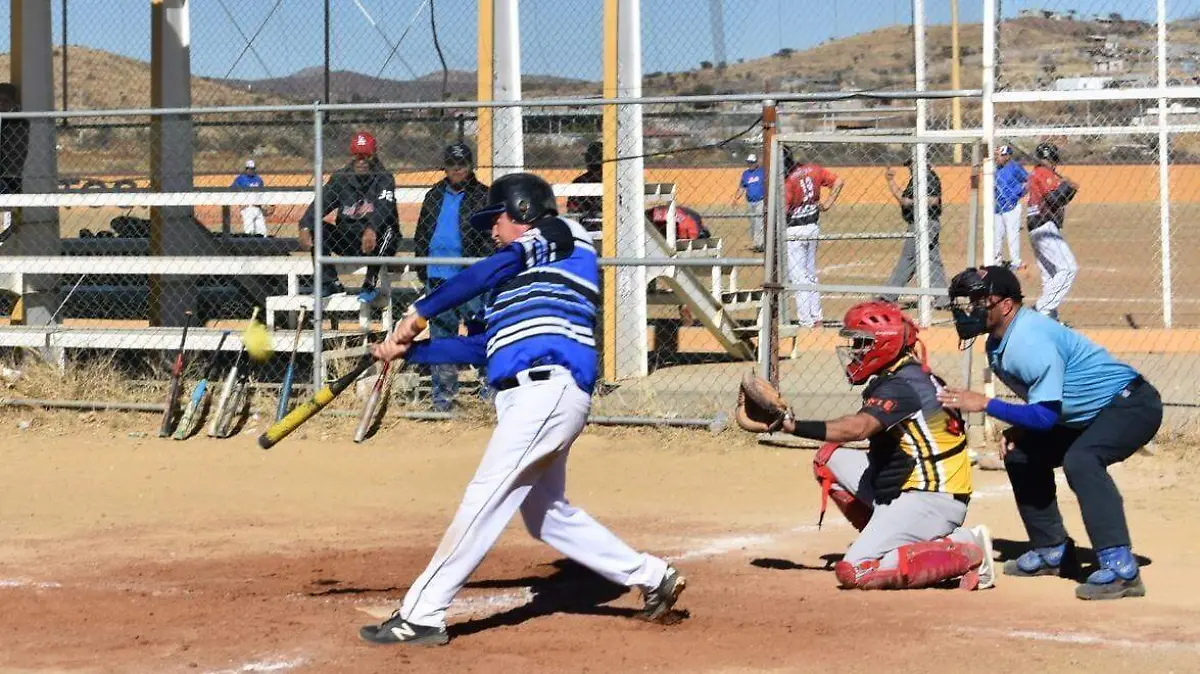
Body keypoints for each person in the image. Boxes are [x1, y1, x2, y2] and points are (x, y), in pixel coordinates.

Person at [359, 173, 687, 646]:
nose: (492, 231)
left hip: (547, 390)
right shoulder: (518, 287)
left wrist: (418, 313)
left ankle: (423, 614)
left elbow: (484, 270)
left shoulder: (562, 235)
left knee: (484, 496)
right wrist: (407, 352)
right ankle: (653, 577)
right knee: (545, 514)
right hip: (530, 397)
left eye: (498, 219)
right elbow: (482, 349)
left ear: (525, 211)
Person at [734, 300, 994, 591]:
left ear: (885, 344)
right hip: (910, 485)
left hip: (932, 500)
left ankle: (967, 547)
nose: (856, 350)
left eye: (863, 342)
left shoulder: (902, 386)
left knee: (856, 571)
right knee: (828, 458)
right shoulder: (907, 374)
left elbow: (857, 429)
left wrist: (789, 425)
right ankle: (890, 531)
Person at [939, 265, 1162, 600]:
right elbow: (1048, 405)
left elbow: (1044, 416)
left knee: (1082, 459)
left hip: (1130, 405)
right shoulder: (1000, 341)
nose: (972, 308)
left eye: (981, 300)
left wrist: (985, 404)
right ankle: (1052, 551)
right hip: (1087, 414)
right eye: (969, 301)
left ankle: (1121, 568)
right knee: (1021, 455)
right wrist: (1022, 429)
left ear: (1006, 305)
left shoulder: (1029, 341)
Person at [413, 141, 492, 412]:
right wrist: (421, 265)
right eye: (452, 164)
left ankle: (490, 392)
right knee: (442, 337)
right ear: (444, 167)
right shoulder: (434, 194)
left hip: (469, 277)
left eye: (462, 164)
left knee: (480, 331)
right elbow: (422, 232)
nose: (457, 169)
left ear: (471, 167)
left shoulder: (484, 195)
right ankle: (443, 399)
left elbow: (490, 236)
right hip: (437, 277)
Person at [298, 130, 400, 302]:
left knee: (388, 228)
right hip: (348, 240)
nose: (361, 161)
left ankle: (370, 283)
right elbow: (321, 203)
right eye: (357, 155)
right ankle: (330, 283)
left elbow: (384, 208)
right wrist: (305, 225)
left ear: (374, 155)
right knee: (317, 227)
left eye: (366, 156)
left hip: (376, 240)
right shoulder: (341, 178)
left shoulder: (384, 178)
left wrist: (372, 228)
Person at [783, 145, 844, 328]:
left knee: (799, 277)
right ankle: (816, 317)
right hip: (813, 227)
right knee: (810, 274)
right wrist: (827, 204)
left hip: (794, 230)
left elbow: (783, 211)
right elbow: (839, 181)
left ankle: (806, 321)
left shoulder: (787, 181)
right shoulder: (812, 169)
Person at [881, 157, 949, 309]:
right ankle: (943, 299)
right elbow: (903, 200)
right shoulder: (916, 179)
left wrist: (912, 202)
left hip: (925, 223)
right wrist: (891, 182)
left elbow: (934, 200)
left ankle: (888, 296)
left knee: (908, 258)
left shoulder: (928, 177)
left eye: (911, 164)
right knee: (931, 260)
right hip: (920, 223)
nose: (909, 168)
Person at [1025, 142, 1079, 321]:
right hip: (1044, 226)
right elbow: (1054, 200)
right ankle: (1041, 308)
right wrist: (1068, 188)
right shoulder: (1044, 173)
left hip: (1037, 227)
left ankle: (1048, 318)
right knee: (1068, 267)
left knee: (1050, 275)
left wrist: (1070, 190)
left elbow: (1059, 200)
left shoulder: (1038, 173)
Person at [0, 83, 30, 245]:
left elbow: (14, 151)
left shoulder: (18, 121)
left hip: (12, 174)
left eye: (4, 101)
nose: (1, 105)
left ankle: (8, 231)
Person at [993, 144, 1027, 271]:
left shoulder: (1015, 168)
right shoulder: (994, 168)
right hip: (997, 206)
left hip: (1012, 206)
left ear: (1007, 156)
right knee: (997, 235)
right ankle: (996, 260)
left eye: (999, 155)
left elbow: (1027, 181)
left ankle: (1016, 261)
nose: (997, 158)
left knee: (1013, 234)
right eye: (996, 155)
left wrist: (1018, 193)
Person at [566, 140, 603, 230]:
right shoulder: (615, 179)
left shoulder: (580, 181)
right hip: (607, 225)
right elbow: (572, 209)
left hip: (586, 227)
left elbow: (572, 210)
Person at [735, 153, 766, 251]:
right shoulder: (746, 174)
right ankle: (756, 242)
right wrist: (736, 198)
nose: (750, 164)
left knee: (759, 222)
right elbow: (742, 187)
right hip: (749, 202)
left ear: (756, 163)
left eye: (752, 162)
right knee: (753, 223)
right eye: (749, 162)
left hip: (760, 201)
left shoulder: (762, 172)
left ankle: (760, 244)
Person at [231, 159, 267, 236]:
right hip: (247, 208)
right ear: (246, 169)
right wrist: (240, 203)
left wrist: (264, 205)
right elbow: (232, 191)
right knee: (249, 230)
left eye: (253, 169)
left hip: (257, 207)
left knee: (262, 231)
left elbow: (262, 193)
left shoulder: (258, 179)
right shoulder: (240, 179)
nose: (251, 171)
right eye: (249, 169)